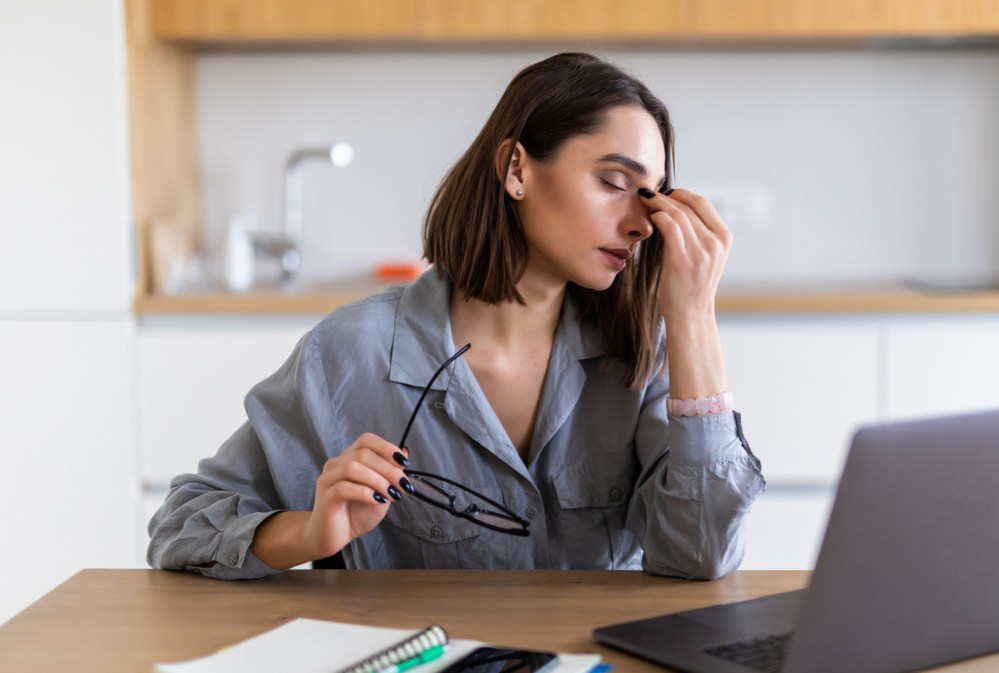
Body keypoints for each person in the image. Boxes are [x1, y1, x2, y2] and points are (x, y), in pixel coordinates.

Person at [147, 52, 766, 580]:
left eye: (651, 195)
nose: (638, 223)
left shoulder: (645, 353)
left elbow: (702, 555)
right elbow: (180, 528)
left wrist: (692, 319)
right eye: (612, 181)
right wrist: (311, 533)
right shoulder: (350, 355)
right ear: (516, 169)